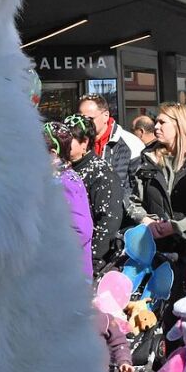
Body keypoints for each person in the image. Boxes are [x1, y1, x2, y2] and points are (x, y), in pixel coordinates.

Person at [127, 102, 186, 287]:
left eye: (162, 122)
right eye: (155, 122)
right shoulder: (145, 160)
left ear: (180, 125)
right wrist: (145, 220)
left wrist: (177, 226)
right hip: (155, 250)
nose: (156, 127)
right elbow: (131, 199)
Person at [64, 113, 123, 270]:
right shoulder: (64, 169)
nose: (62, 145)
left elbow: (109, 221)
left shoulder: (101, 173)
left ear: (85, 142)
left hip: (86, 261)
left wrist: (91, 259)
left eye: (69, 141)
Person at [43, 121, 93, 278]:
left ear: (52, 153)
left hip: (69, 275)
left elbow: (82, 230)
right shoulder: (52, 179)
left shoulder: (66, 182)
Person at [78, 93, 145, 191]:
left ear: (106, 115)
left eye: (90, 119)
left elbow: (139, 188)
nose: (84, 123)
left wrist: (123, 205)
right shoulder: (76, 142)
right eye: (81, 118)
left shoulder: (131, 143)